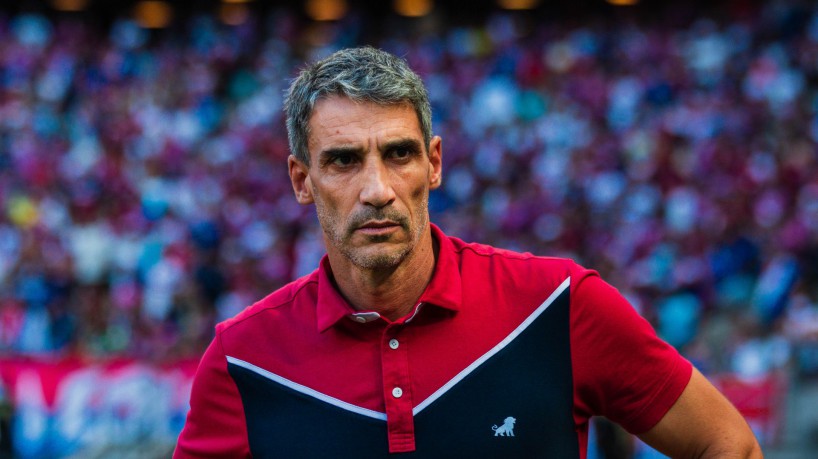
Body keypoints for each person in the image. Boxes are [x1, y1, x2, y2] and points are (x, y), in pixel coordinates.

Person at [174, 46, 762, 458]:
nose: (377, 190)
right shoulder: (241, 361)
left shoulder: (557, 305)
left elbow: (726, 444)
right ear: (302, 180)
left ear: (433, 163)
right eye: (344, 160)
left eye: (399, 155)